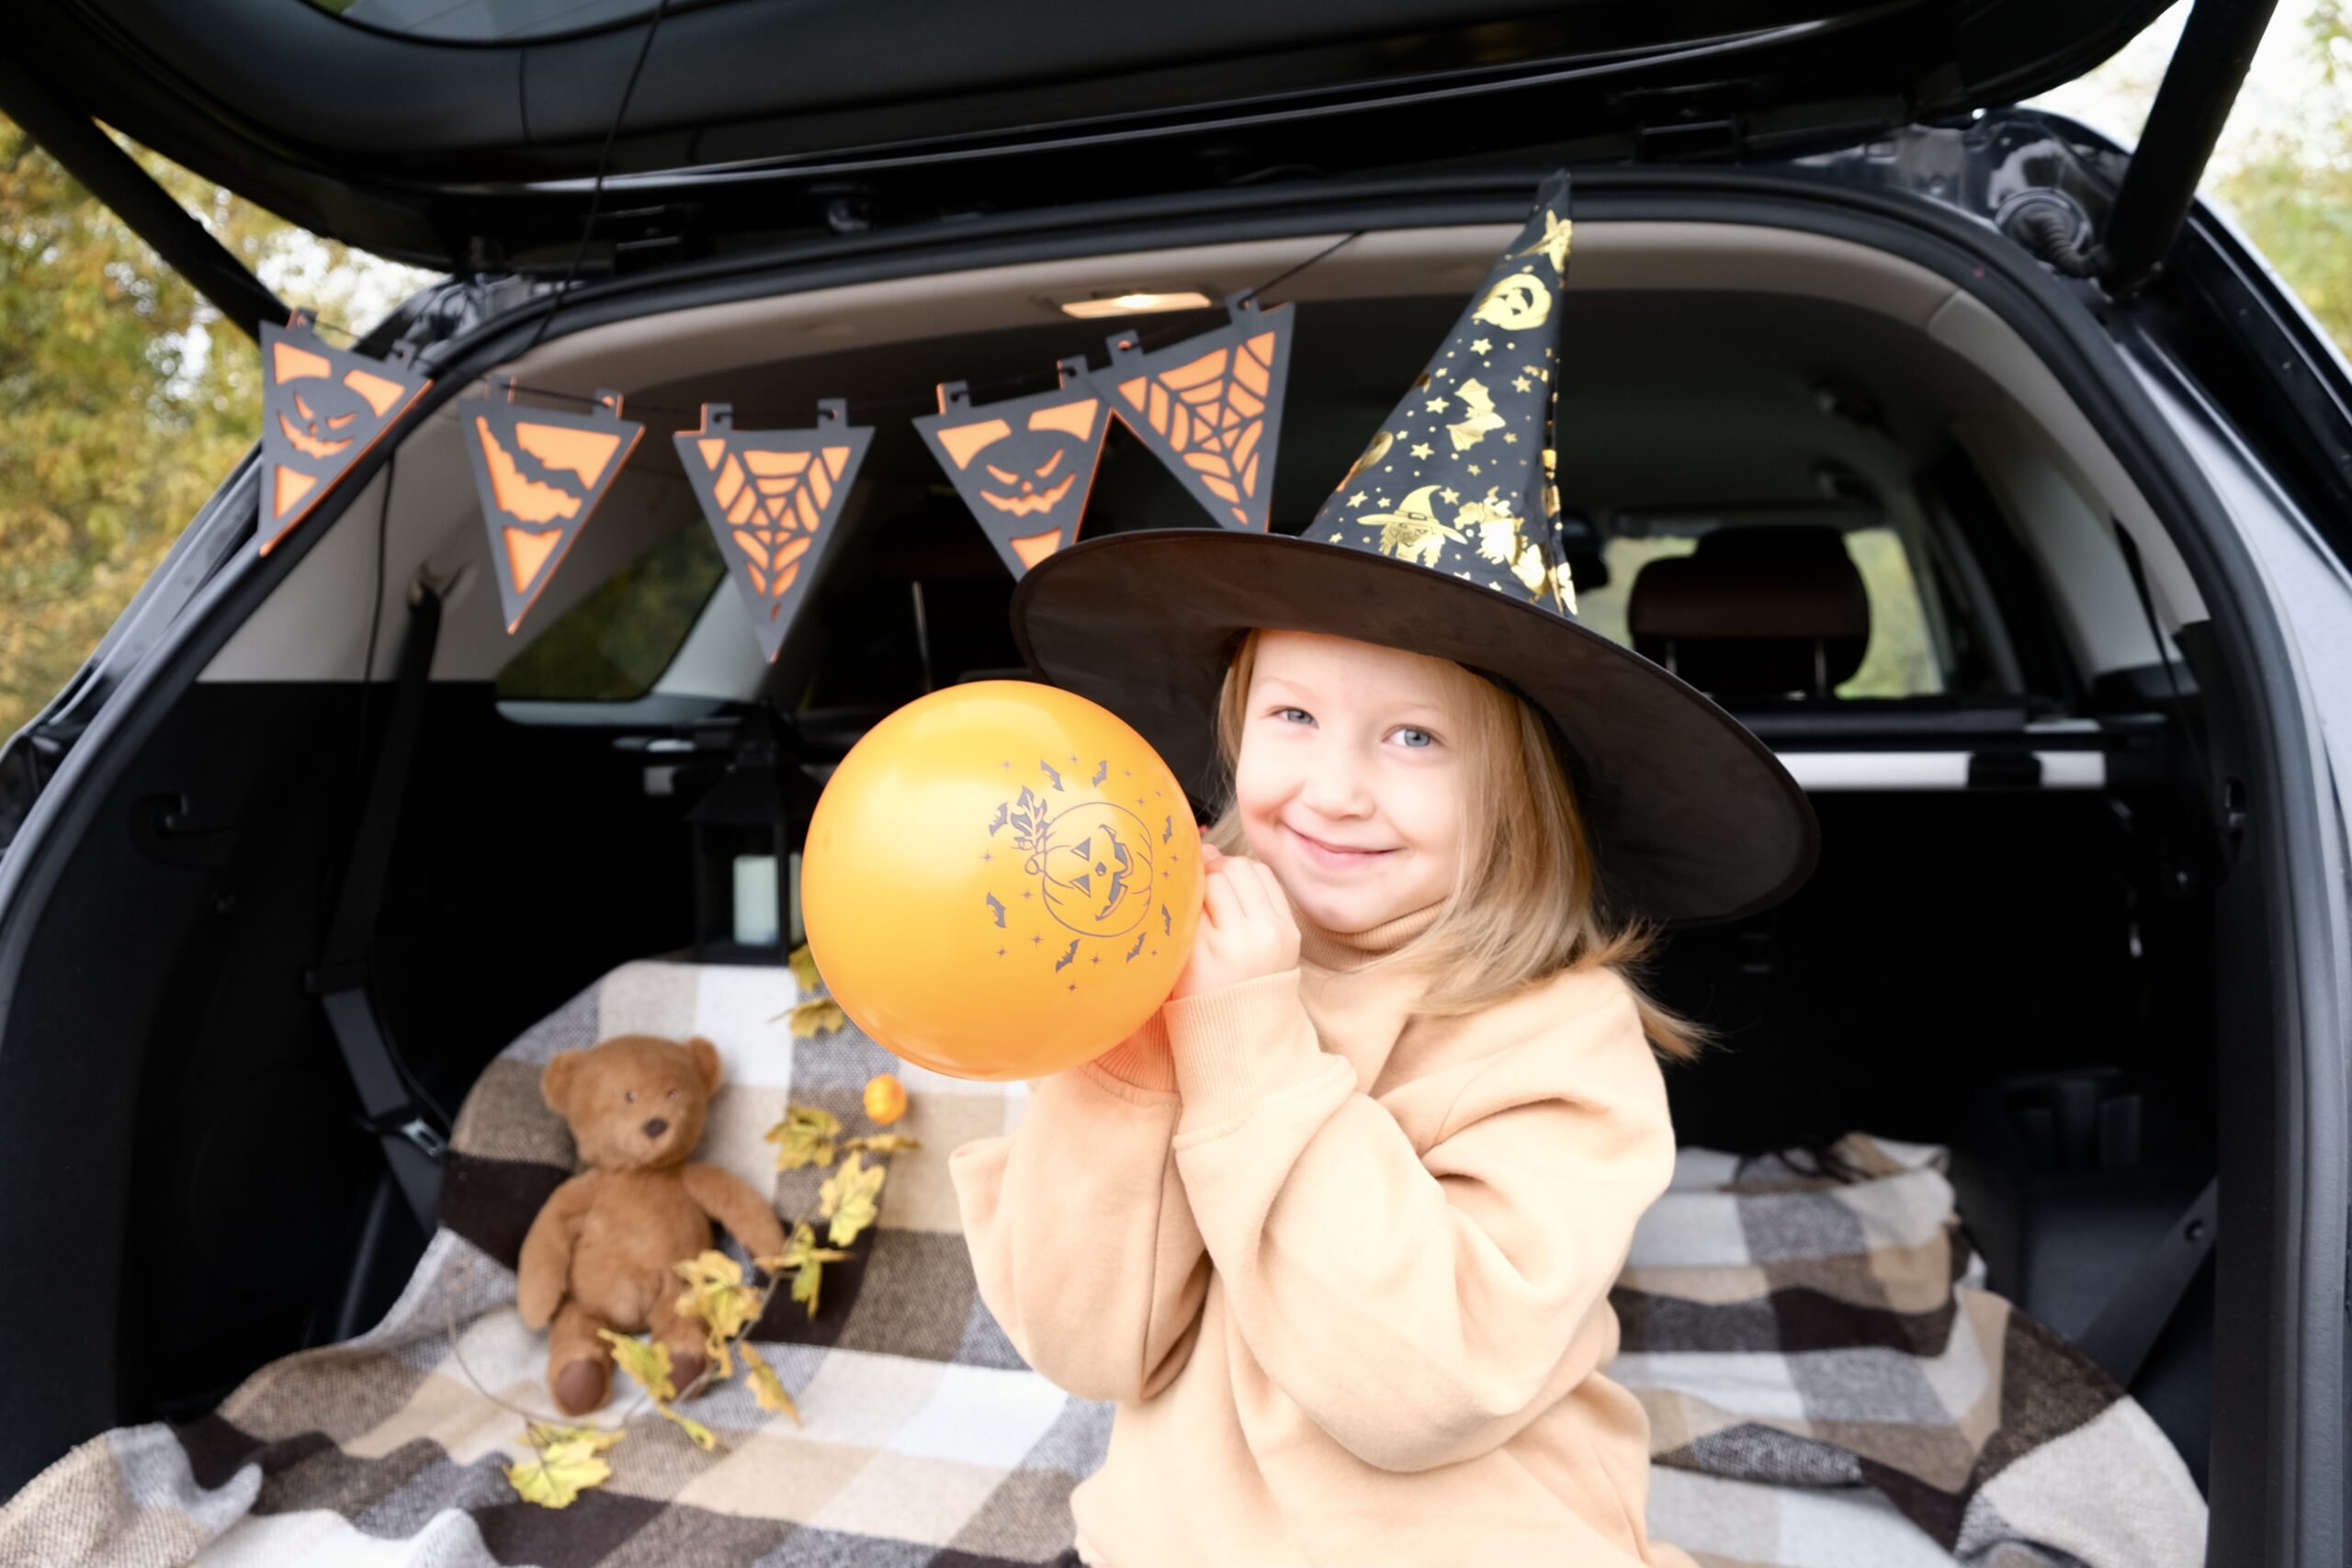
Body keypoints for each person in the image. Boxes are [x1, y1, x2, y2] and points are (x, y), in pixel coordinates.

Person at [950, 172, 1818, 1568]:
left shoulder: (1558, 1039)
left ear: (1515, 801)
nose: (1335, 788)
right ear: (1234, 732)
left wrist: (1249, 1047)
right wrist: (1127, 1048)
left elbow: (1424, 1390)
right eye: (1294, 716)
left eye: (1414, 737)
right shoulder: (1150, 973)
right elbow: (1088, 1344)